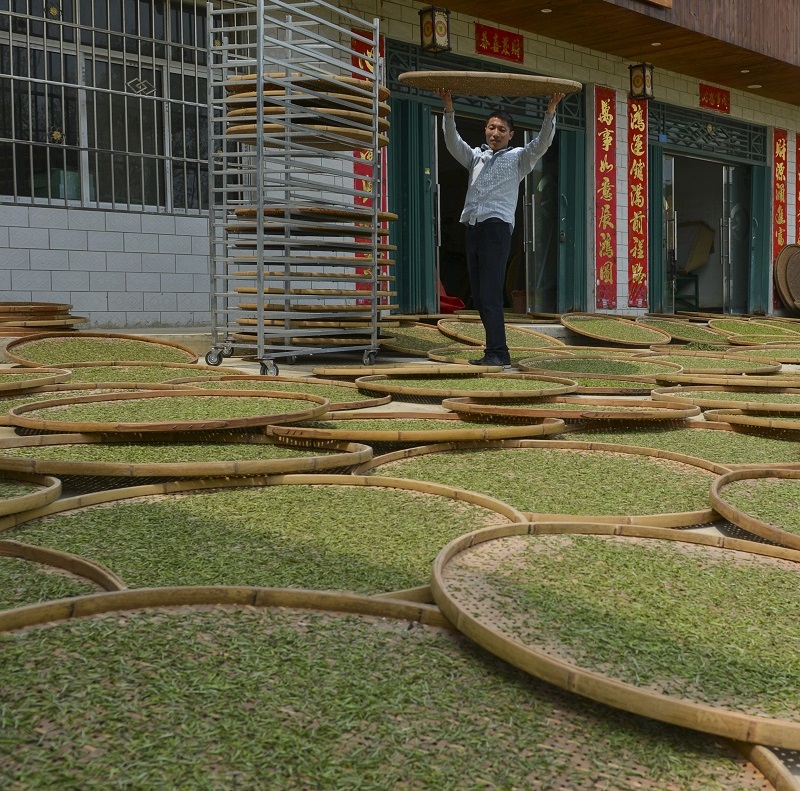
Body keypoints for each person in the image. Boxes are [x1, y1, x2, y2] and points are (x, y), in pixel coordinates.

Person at [437, 89, 565, 367]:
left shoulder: (519, 158)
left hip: (496, 228)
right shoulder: (475, 158)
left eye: (502, 129)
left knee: (492, 293)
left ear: (511, 135)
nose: (495, 133)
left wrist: (550, 111)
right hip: (472, 227)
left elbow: (542, 143)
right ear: (485, 130)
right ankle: (493, 351)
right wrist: (448, 108)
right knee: (480, 295)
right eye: (492, 127)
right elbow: (452, 142)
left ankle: (499, 353)